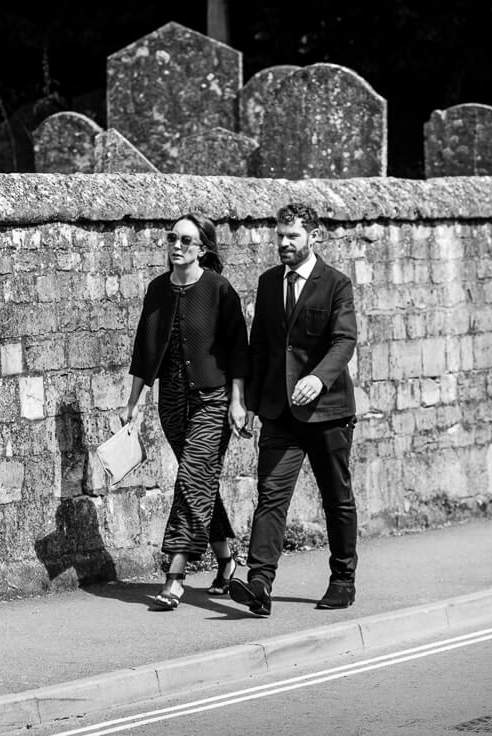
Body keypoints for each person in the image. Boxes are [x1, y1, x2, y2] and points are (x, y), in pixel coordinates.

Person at [230, 202, 359, 617]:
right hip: (279, 414)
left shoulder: (336, 284)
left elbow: (344, 341)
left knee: (336, 498)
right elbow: (261, 346)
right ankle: (259, 584)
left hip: (328, 412)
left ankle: (342, 579)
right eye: (280, 236)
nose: (283, 243)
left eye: (292, 237)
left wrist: (318, 378)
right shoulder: (269, 283)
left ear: (314, 237)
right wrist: (248, 402)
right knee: (270, 497)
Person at [121, 213, 252, 610]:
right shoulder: (158, 289)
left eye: (186, 241)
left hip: (213, 398)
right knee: (200, 483)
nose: (176, 246)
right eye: (171, 238)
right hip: (173, 401)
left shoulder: (219, 290)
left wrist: (238, 401)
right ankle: (227, 560)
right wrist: (133, 402)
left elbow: (238, 351)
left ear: (203, 249)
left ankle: (174, 575)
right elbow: (145, 348)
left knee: (192, 477)